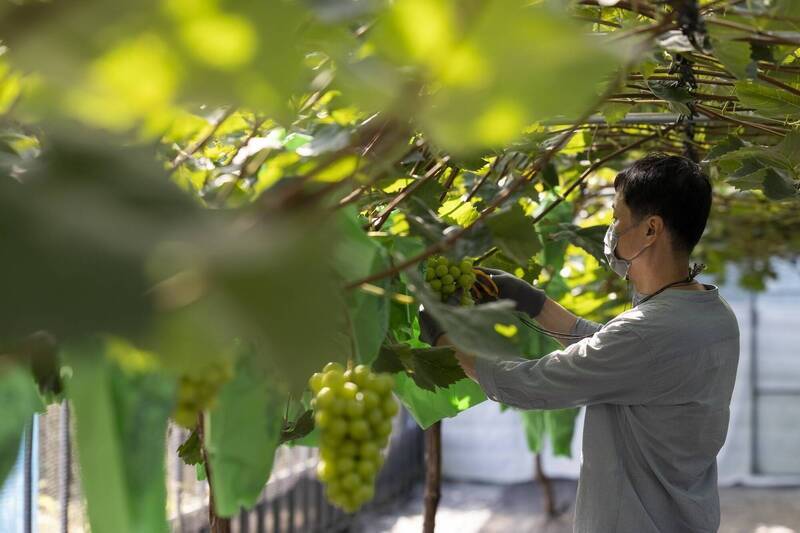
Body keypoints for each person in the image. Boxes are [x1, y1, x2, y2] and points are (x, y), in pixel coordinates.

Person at [419, 153, 740, 533]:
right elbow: (618, 355)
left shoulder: (646, 333)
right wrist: (533, 302)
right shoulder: (713, 314)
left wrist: (444, 341)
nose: (611, 229)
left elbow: (530, 384)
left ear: (651, 230)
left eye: (617, 218)